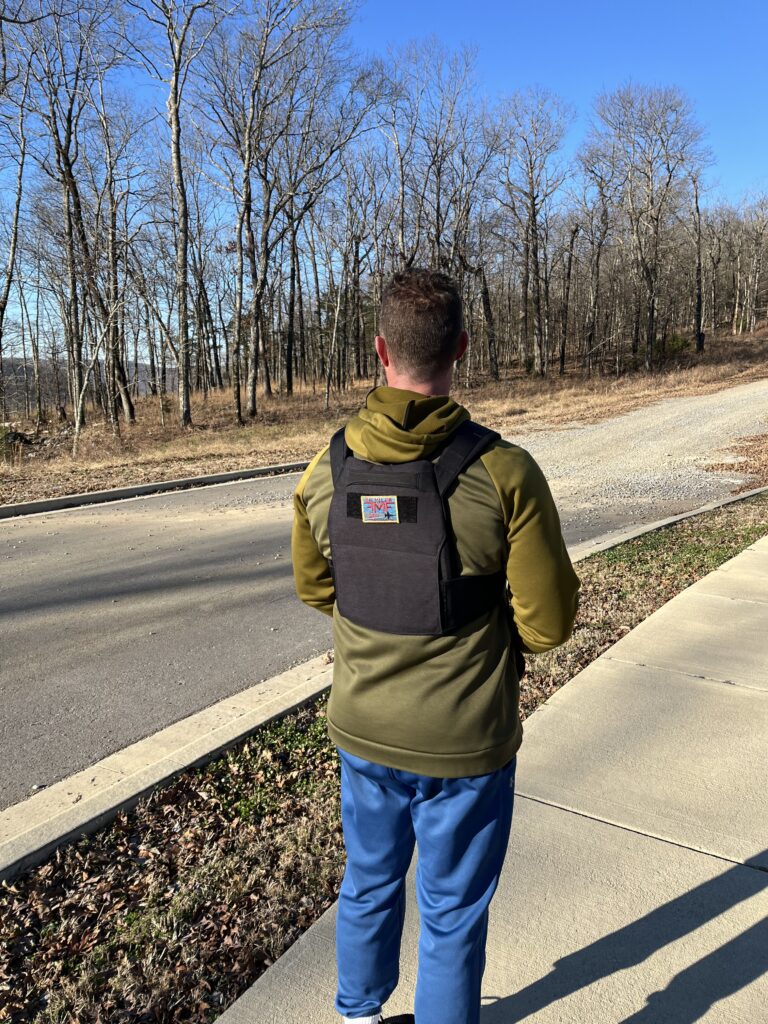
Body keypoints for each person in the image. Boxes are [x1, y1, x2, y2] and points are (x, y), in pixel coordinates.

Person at [291, 268, 580, 1024]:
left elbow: (317, 588)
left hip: (363, 728)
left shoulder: (326, 468)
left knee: (368, 881)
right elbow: (548, 625)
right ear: (460, 348)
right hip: (464, 744)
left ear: (379, 351)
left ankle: (357, 1014)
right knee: (450, 912)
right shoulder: (505, 472)